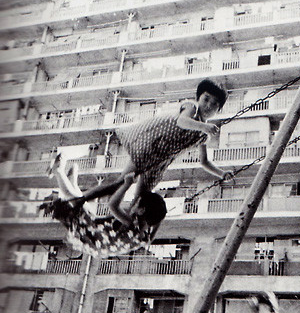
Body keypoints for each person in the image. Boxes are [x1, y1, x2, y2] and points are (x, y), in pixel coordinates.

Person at [67, 78, 233, 209]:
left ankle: (123, 223)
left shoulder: (203, 136)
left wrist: (221, 173)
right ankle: (81, 200)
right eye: (206, 99)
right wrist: (204, 126)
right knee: (120, 182)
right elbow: (183, 121)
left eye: (214, 104)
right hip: (149, 145)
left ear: (218, 110)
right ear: (198, 98)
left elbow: (204, 162)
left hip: (160, 161)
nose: (208, 106)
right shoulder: (191, 108)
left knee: (142, 198)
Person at [40, 155, 166, 257]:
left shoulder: (131, 225)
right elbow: (156, 225)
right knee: (83, 207)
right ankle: (72, 182)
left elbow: (113, 205)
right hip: (100, 243)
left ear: (142, 210)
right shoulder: (145, 236)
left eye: (137, 202)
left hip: (93, 237)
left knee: (74, 202)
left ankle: (58, 171)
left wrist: (127, 185)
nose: (134, 203)